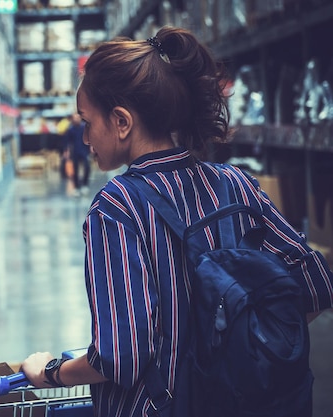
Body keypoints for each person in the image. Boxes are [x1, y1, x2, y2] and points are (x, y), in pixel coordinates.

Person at [19, 26, 333, 416]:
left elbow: (121, 357)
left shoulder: (117, 207)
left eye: (87, 121)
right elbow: (316, 286)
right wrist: (244, 353)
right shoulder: (235, 185)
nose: (84, 138)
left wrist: (49, 372)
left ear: (121, 121)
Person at [64, 113, 91, 194]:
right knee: (75, 169)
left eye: (78, 117)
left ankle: (85, 185)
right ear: (72, 119)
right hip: (75, 151)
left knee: (87, 167)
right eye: (75, 118)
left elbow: (89, 138)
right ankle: (76, 187)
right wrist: (67, 151)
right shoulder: (70, 129)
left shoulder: (84, 128)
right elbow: (67, 141)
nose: (76, 119)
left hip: (84, 150)